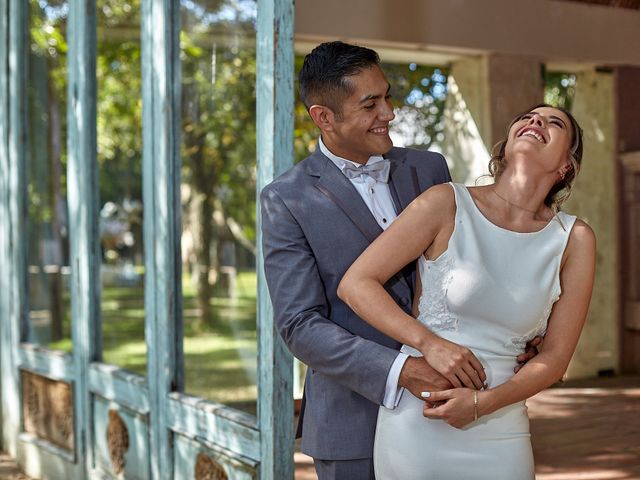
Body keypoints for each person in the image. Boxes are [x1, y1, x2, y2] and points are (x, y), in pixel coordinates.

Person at [261, 40, 539, 479]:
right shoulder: (287, 199)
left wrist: (518, 332)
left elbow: (467, 269)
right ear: (324, 118)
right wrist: (402, 369)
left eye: (386, 96)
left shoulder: (429, 169)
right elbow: (300, 325)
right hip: (353, 423)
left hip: (451, 414)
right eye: (370, 104)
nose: (388, 113)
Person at [338, 103, 596, 479]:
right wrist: (429, 343)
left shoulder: (574, 239)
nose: (535, 121)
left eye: (554, 123)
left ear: (566, 167)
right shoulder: (445, 203)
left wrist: (483, 403)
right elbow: (356, 284)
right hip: (419, 424)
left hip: (501, 428)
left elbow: (556, 357)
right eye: (525, 117)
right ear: (505, 147)